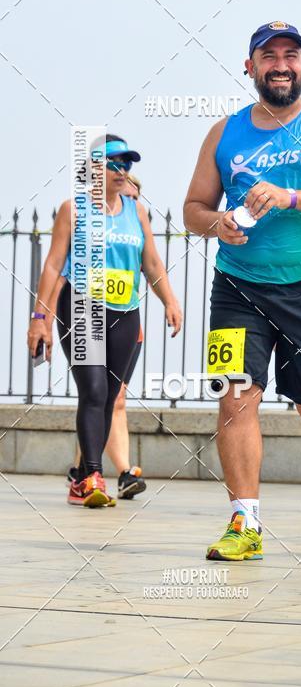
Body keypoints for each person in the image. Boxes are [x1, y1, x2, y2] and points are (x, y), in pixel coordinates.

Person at [183, 21, 301, 561]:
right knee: (235, 399)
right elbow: (192, 208)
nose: (281, 64)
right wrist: (216, 222)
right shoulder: (225, 133)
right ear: (250, 68)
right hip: (238, 288)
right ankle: (245, 523)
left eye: (292, 55)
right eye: (269, 56)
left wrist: (293, 197)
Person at [27, 135, 182, 507]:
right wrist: (40, 319)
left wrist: (170, 300)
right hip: (81, 308)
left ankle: (82, 478)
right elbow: (53, 266)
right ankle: (93, 475)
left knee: (111, 396)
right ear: (93, 168)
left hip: (126, 312)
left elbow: (152, 263)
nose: (122, 171)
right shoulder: (74, 210)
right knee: (94, 391)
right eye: (114, 163)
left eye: (127, 164)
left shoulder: (136, 211)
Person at [60, 173, 148, 499]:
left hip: (126, 323)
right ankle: (116, 471)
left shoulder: (135, 225)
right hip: (87, 315)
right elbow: (63, 267)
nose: (130, 201)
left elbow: (145, 271)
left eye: (136, 197)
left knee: (106, 397)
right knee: (103, 396)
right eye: (127, 192)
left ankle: (84, 470)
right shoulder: (85, 221)